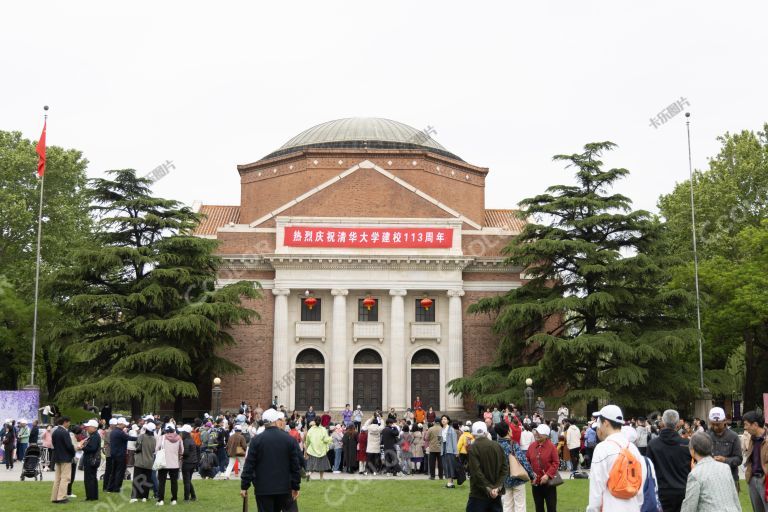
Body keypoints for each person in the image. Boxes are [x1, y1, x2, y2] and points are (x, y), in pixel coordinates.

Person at [586, 405, 646, 512]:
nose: (598, 428)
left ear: (606, 423)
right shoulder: (634, 449)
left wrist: (592, 509)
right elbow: (640, 487)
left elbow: (596, 491)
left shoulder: (602, 448)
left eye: (599, 422)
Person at [240, 409, 301, 512]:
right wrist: (296, 486)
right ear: (276, 421)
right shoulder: (289, 440)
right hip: (284, 487)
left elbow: (249, 465)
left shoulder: (256, 440)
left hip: (263, 488)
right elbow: (295, 466)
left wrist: (244, 485)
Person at [677, 431, 741, 512]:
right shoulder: (725, 467)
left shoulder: (695, 474)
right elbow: (735, 498)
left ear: (692, 451)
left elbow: (689, 507)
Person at [647, 409, 692, 512]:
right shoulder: (686, 444)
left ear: (663, 421)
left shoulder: (653, 444)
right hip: (682, 490)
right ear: (677, 424)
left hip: (663, 492)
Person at [466, 421, 508, 512]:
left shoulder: (473, 448)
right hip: (495, 493)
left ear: (473, 434)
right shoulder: (497, 446)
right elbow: (505, 469)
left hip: (479, 494)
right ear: (486, 432)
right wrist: (497, 488)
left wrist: (490, 489)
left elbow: (476, 472)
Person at [496, 421, 534, 512]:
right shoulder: (513, 444)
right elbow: (523, 461)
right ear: (508, 431)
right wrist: (532, 475)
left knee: (507, 505)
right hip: (517, 478)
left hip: (504, 480)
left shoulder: (496, 446)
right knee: (520, 505)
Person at [705, 406, 742, 492]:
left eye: (718, 424)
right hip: (710, 478)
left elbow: (739, 459)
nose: (715, 427)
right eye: (712, 424)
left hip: (730, 477)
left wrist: (725, 460)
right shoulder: (706, 436)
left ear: (725, 421)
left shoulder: (733, 436)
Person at [527, 423, 559, 512]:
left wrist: (547, 475)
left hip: (549, 483)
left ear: (546, 435)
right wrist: (530, 475)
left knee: (551, 507)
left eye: (539, 432)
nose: (536, 434)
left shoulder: (552, 447)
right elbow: (527, 461)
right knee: (538, 507)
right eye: (536, 432)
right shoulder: (532, 446)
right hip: (535, 482)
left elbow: (556, 462)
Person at [742, 410, 768, 512]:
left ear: (755, 425)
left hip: (765, 481)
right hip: (752, 480)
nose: (745, 428)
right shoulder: (752, 438)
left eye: (746, 424)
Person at [156, 424, 183, 506]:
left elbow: (156, 448)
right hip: (174, 463)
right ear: (174, 430)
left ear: (166, 430)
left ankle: (161, 500)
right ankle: (174, 499)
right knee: (174, 482)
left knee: (162, 482)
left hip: (163, 463)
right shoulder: (179, 438)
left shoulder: (162, 437)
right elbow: (182, 451)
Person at [51, 416, 75, 504]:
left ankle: (54, 497)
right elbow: (69, 446)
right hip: (65, 458)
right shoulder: (65, 432)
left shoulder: (55, 432)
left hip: (57, 457)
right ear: (65, 422)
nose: (69, 424)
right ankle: (61, 497)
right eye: (69, 422)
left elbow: (54, 444)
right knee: (65, 478)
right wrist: (73, 453)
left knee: (57, 478)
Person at [80, 419, 101, 501]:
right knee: (92, 478)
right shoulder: (93, 435)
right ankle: (93, 496)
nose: (87, 428)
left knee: (89, 479)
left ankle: (91, 497)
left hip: (90, 460)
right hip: (91, 459)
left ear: (94, 427)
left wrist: (83, 447)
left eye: (89, 427)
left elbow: (92, 448)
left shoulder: (95, 436)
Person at [107, 417, 130, 492]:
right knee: (119, 472)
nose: (125, 426)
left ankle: (110, 487)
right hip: (120, 454)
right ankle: (116, 488)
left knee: (113, 471)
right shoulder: (120, 432)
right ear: (121, 424)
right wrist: (139, 438)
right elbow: (129, 437)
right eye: (124, 424)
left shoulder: (114, 431)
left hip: (114, 454)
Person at [179, 425, 198, 502]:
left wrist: (181, 455)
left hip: (187, 462)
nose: (181, 433)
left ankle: (186, 498)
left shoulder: (186, 441)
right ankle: (193, 496)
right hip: (193, 462)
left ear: (185, 432)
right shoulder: (191, 439)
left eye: (182, 432)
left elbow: (186, 452)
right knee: (188, 481)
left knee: (186, 481)